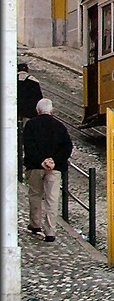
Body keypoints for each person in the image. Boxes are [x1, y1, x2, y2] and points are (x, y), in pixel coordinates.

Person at [22, 98, 73, 243]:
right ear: (52, 111)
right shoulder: (60, 126)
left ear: (38, 110)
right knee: (52, 199)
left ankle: (35, 225)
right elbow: (67, 147)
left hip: (35, 167)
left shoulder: (31, 125)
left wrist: (41, 161)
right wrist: (53, 161)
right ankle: (50, 232)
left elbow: (29, 146)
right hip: (54, 169)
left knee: (35, 195)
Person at [17, 62, 44, 181]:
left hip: (15, 113)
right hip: (29, 114)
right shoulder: (34, 81)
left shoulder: (11, 80)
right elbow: (39, 99)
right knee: (27, 135)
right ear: (27, 70)